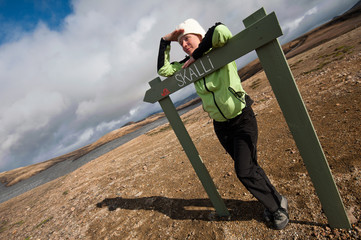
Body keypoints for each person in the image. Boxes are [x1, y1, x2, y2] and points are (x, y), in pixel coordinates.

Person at [157, 18, 289, 230]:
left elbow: (220, 30)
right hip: (221, 125)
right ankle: (277, 199)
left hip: (241, 117)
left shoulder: (216, 50)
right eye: (180, 42)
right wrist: (165, 41)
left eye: (187, 39)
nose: (183, 44)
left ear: (199, 36)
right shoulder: (185, 66)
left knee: (244, 171)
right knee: (249, 167)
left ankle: (276, 209)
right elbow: (163, 71)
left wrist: (198, 55)